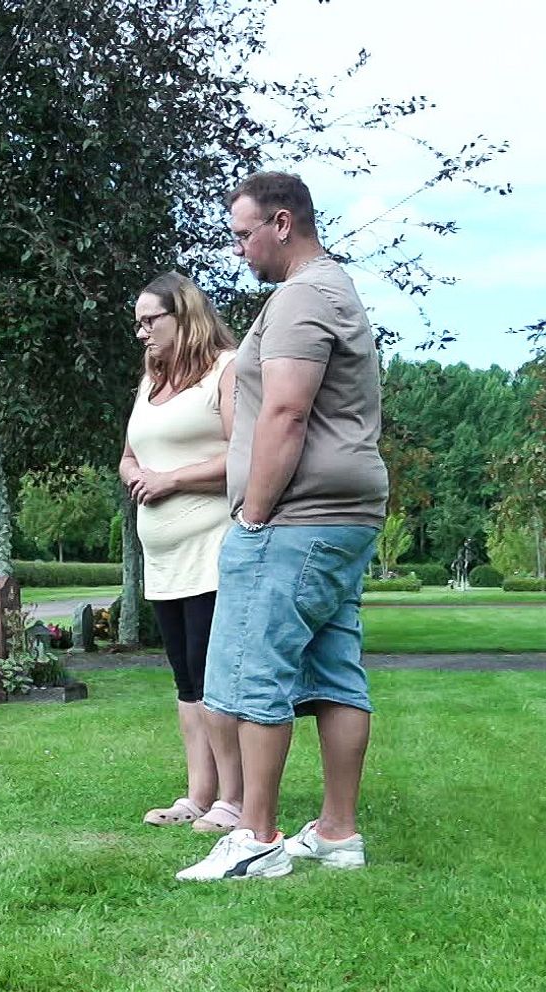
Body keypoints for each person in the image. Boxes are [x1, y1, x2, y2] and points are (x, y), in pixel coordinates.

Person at [176, 172, 388, 881]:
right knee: (334, 671)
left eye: (244, 234)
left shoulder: (300, 298)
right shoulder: (337, 288)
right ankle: (336, 832)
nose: (239, 249)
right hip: (344, 516)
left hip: (295, 519)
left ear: (283, 223)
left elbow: (286, 411)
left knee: (252, 671)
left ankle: (256, 838)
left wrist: (254, 513)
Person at [120, 271, 243, 834]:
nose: (142, 332)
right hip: (164, 561)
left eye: (150, 320)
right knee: (186, 682)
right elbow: (128, 455)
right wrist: (137, 476)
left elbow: (245, 454)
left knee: (214, 678)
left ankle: (233, 800)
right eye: (138, 323)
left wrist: (171, 479)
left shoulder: (227, 369)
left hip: (212, 549)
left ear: (184, 315)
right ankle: (198, 795)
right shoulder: (150, 380)